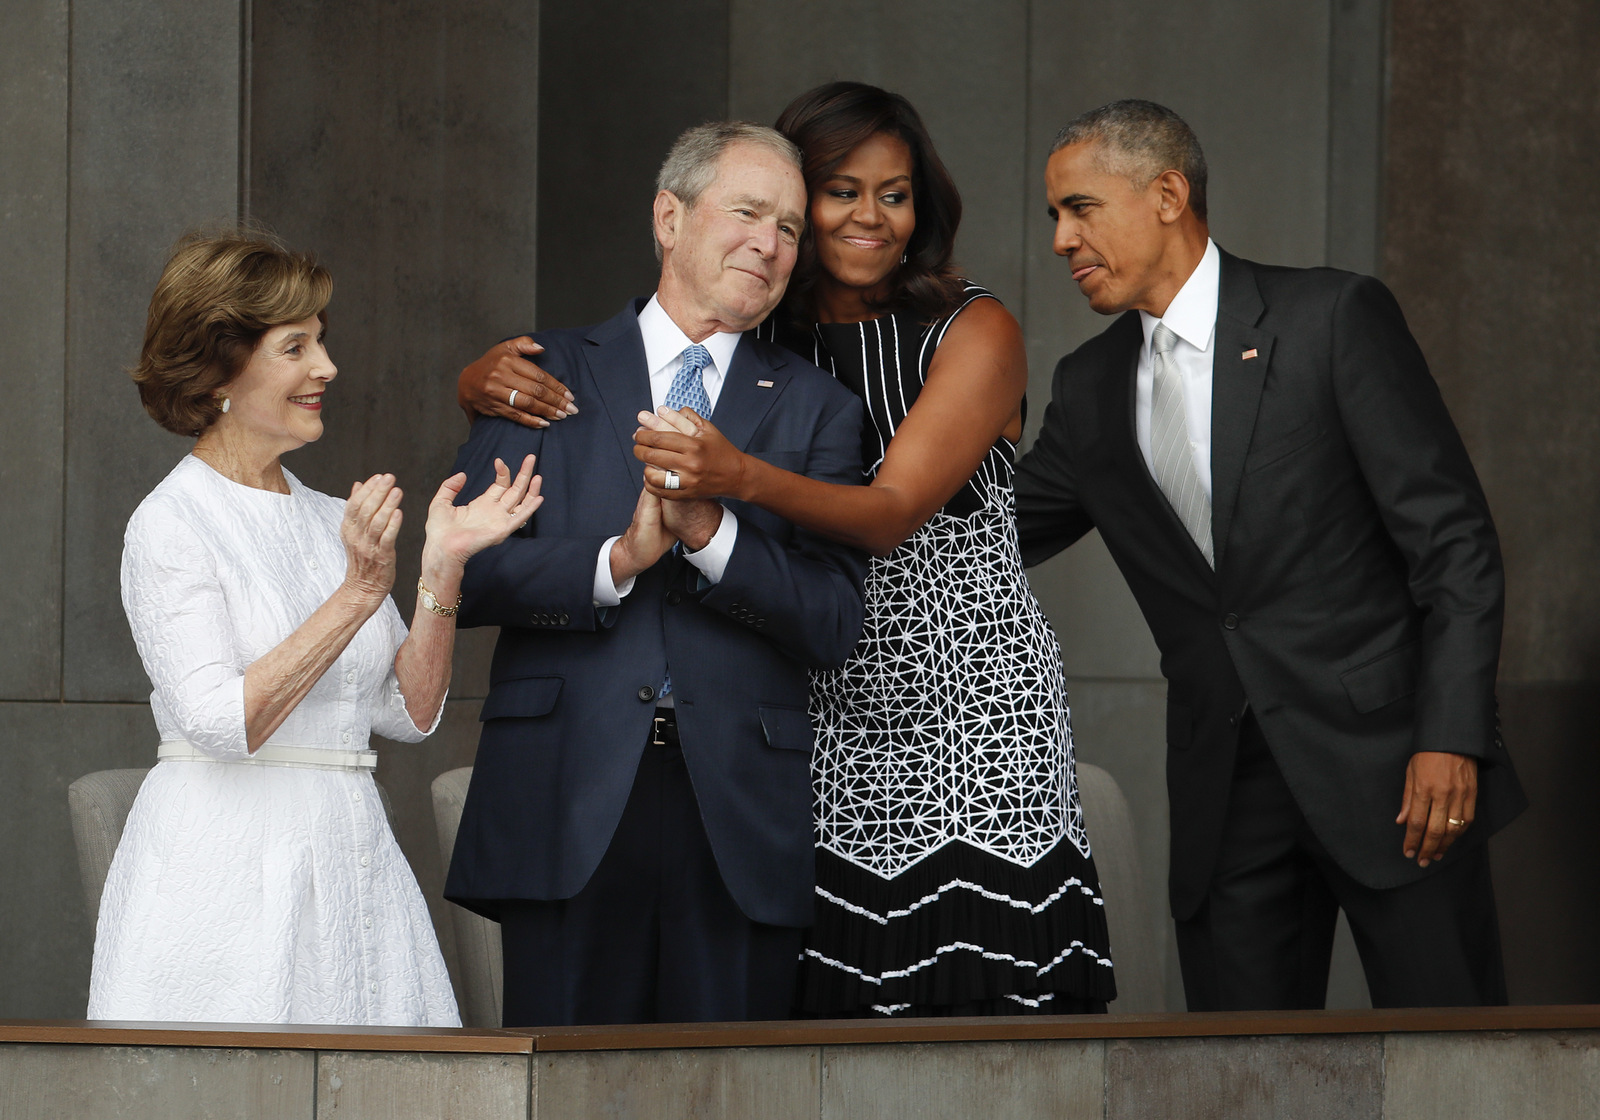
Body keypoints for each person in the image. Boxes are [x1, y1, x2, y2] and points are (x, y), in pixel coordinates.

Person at [461, 83, 1117, 1017]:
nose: (865, 216)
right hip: (819, 721)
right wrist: (479, 385)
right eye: (834, 195)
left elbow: (886, 513)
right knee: (839, 987)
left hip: (962, 687)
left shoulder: (960, 330)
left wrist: (727, 495)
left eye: (894, 194)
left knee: (969, 985)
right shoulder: (750, 325)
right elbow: (506, 512)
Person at [1013, 99, 1527, 1010]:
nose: (1060, 238)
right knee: (1236, 1081)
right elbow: (990, 535)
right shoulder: (1088, 386)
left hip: (1395, 768)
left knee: (1455, 1066)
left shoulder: (1332, 317)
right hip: (1227, 794)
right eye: (1056, 215)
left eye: (1080, 207)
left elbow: (1454, 545)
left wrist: (1450, 736)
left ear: (1167, 193)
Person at [441, 121, 868, 1027]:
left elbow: (834, 622)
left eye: (791, 228)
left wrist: (713, 534)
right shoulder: (538, 374)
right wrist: (613, 562)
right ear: (668, 218)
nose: (771, 242)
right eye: (749, 211)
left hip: (739, 812)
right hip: (565, 792)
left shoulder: (821, 408)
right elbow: (466, 576)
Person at [89, 231, 541, 1026]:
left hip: (354, 853)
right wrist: (360, 590)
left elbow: (409, 714)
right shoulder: (171, 524)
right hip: (226, 874)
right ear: (220, 368)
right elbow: (222, 723)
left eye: (321, 342)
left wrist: (440, 570)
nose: (326, 367)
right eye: (295, 346)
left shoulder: (332, 517)